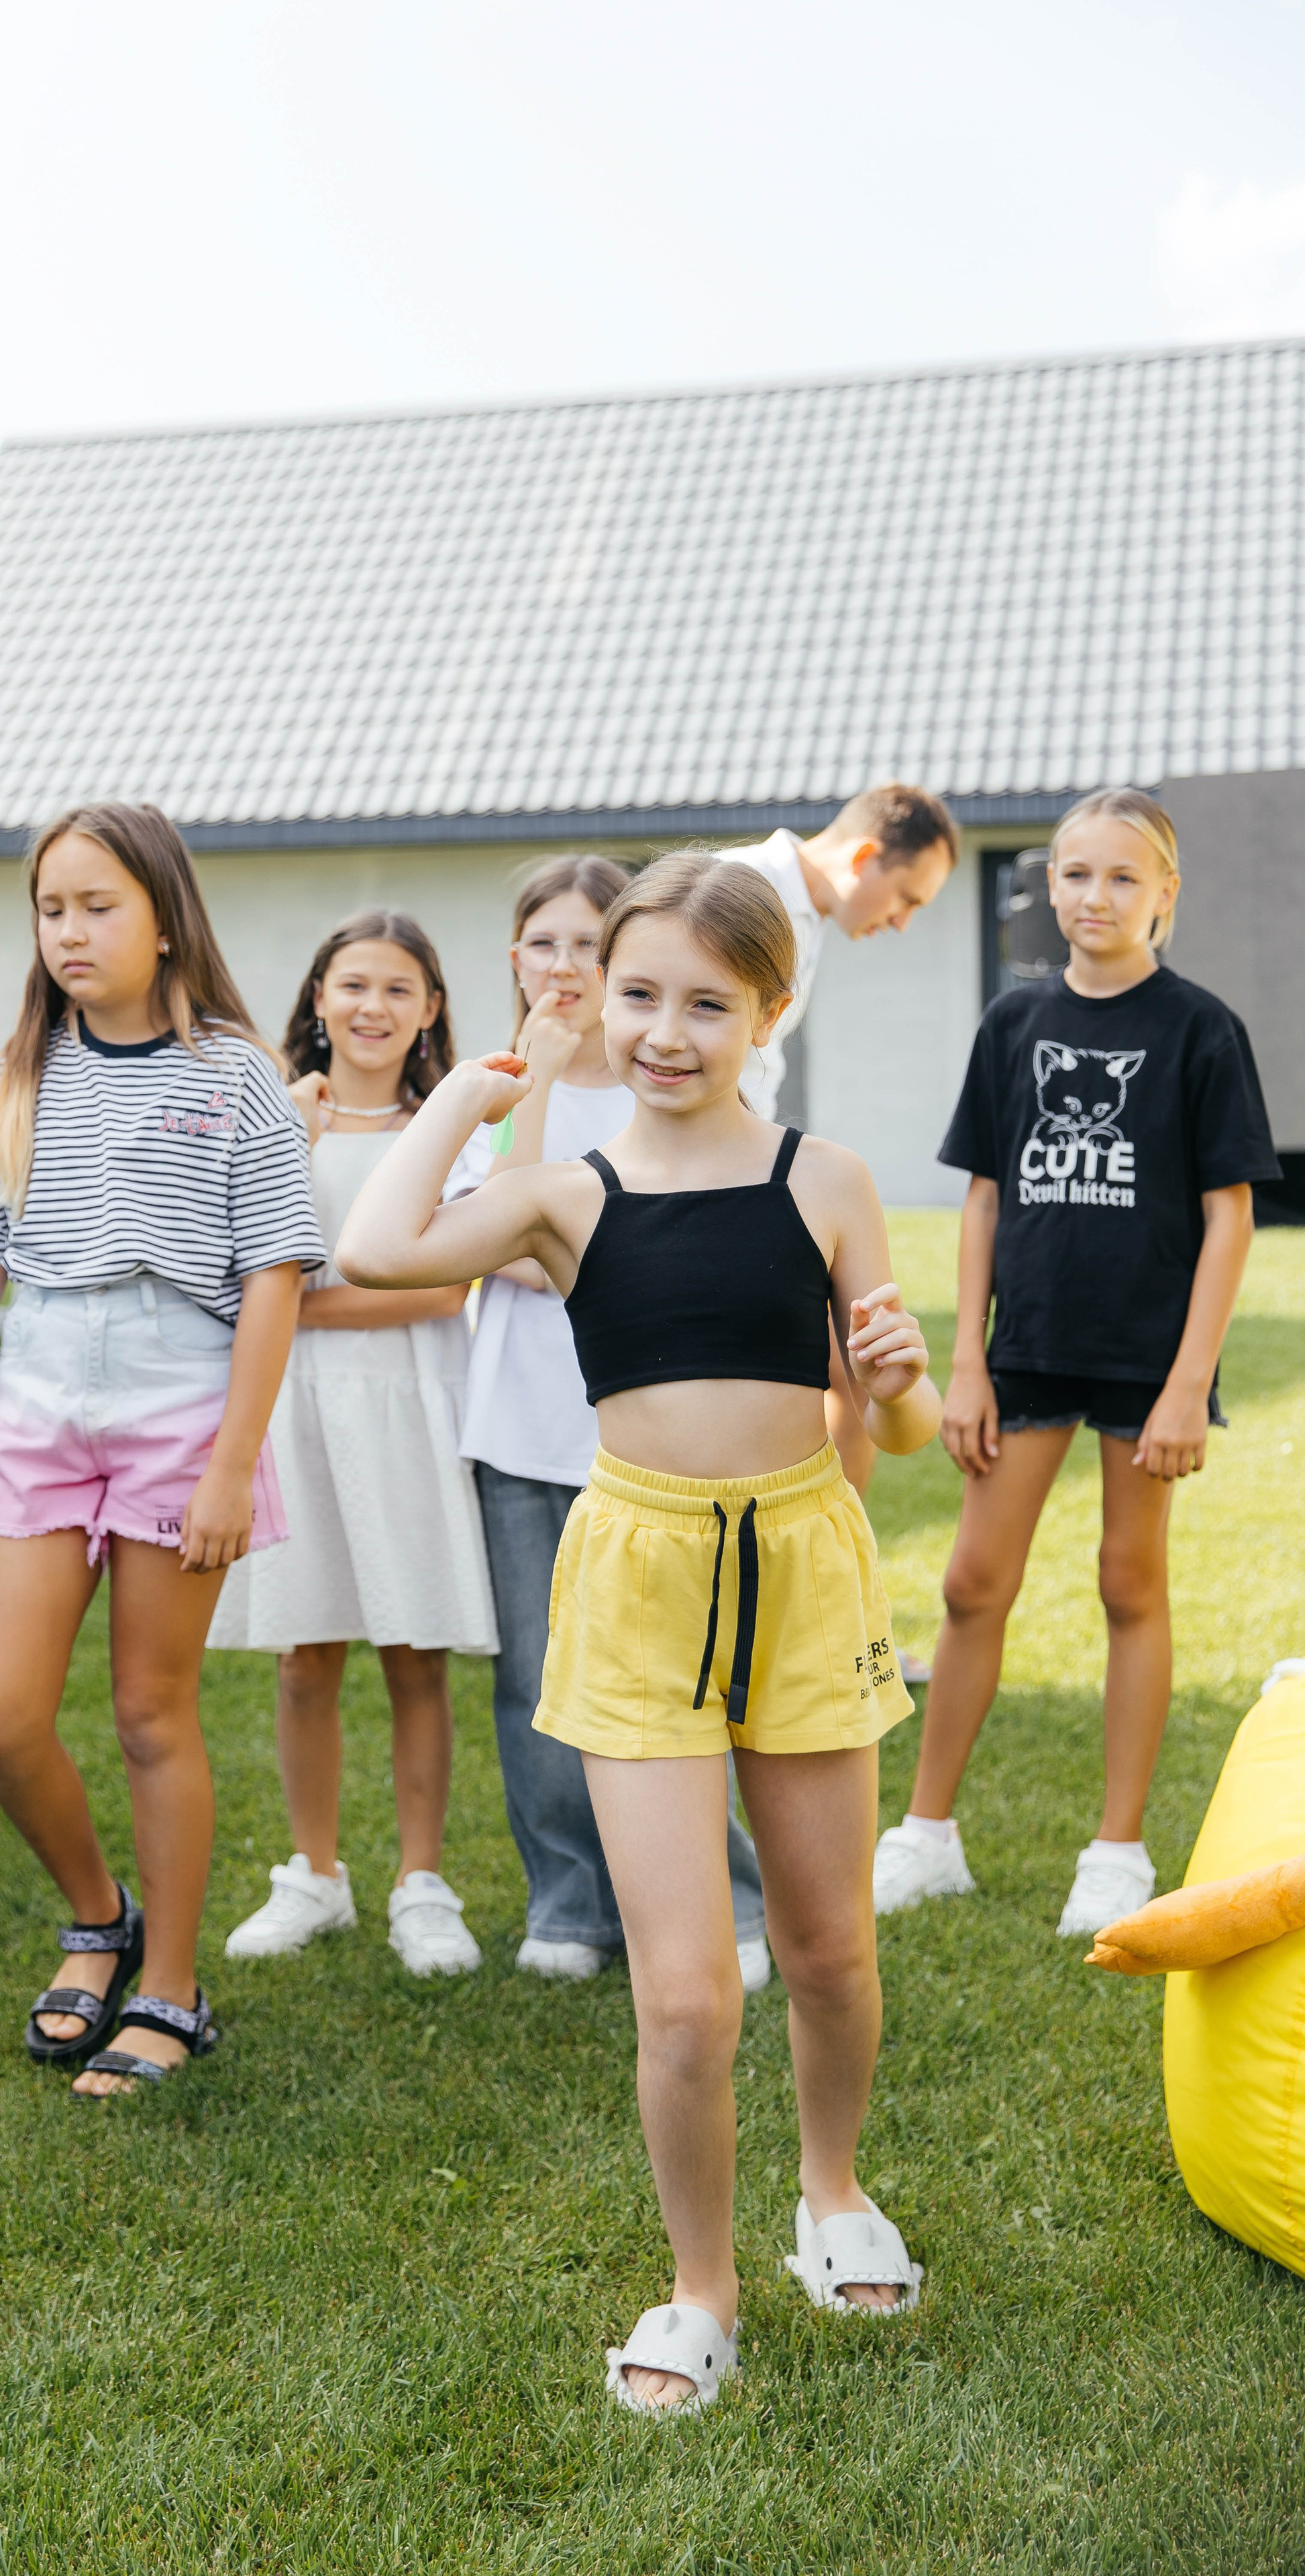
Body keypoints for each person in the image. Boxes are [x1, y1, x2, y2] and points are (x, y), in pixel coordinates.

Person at [337, 851, 943, 2413]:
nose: (665, 1031)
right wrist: (474, 1095)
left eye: (704, 1002)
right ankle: (699, 2288)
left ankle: (830, 2193)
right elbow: (374, 1251)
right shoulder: (557, 1196)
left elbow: (906, 1427)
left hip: (801, 1563)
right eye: (637, 996)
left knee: (824, 1948)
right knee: (683, 1993)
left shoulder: (828, 1181)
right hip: (638, 1578)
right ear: (592, 1001)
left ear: (766, 1009)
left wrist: (894, 1372)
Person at [0, 805, 322, 2096]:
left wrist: (235, 1462)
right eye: (51, 909)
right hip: (42, 1406)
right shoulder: (12, 1081)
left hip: (184, 1408)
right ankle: (96, 1912)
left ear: (166, 919)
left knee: (148, 1713)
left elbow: (275, 1278)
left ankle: (170, 1989)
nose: (69, 931)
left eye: (98, 906)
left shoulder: (234, 1073)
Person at [874, 788, 1279, 1937]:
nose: (1094, 897)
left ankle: (1117, 1848)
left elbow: (1231, 1214)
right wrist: (967, 1363)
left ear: (1166, 896)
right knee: (968, 1585)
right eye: (1074, 875)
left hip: (1146, 1366)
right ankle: (928, 1836)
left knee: (1126, 1582)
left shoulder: (1200, 1030)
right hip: (1029, 1353)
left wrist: (1189, 1382)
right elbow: (986, 1197)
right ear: (1047, 887)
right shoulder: (1013, 1028)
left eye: (1121, 878)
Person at [454, 853, 771, 1991]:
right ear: (516, 959)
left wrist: (548, 1246)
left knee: (698, 1680)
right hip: (520, 1431)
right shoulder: (494, 1086)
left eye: (592, 946)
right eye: (545, 944)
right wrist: (528, 1080)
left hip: (661, 1448)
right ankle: (571, 1901)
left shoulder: (676, 1080)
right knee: (537, 1675)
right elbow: (496, 1234)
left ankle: (728, 1901)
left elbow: (566, 1247)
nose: (568, 968)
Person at [211, 914, 497, 1974]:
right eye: (353, 985)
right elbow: (227, 1266)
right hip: (294, 1415)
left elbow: (447, 1285)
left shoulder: (450, 1127)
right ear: (318, 998)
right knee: (305, 1655)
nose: (372, 1008)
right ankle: (314, 1875)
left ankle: (422, 1884)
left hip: (410, 1412)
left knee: (414, 1652)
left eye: (398, 989)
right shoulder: (279, 1119)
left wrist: (295, 1307)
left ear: (429, 1009)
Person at [718, 785, 957, 1681]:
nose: (900, 925)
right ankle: (832, 1627)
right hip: (722, 1198)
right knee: (843, 1381)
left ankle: (837, 1619)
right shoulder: (742, 892)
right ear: (862, 862)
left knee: (853, 1382)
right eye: (905, 901)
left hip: (762, 1185)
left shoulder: (799, 913)